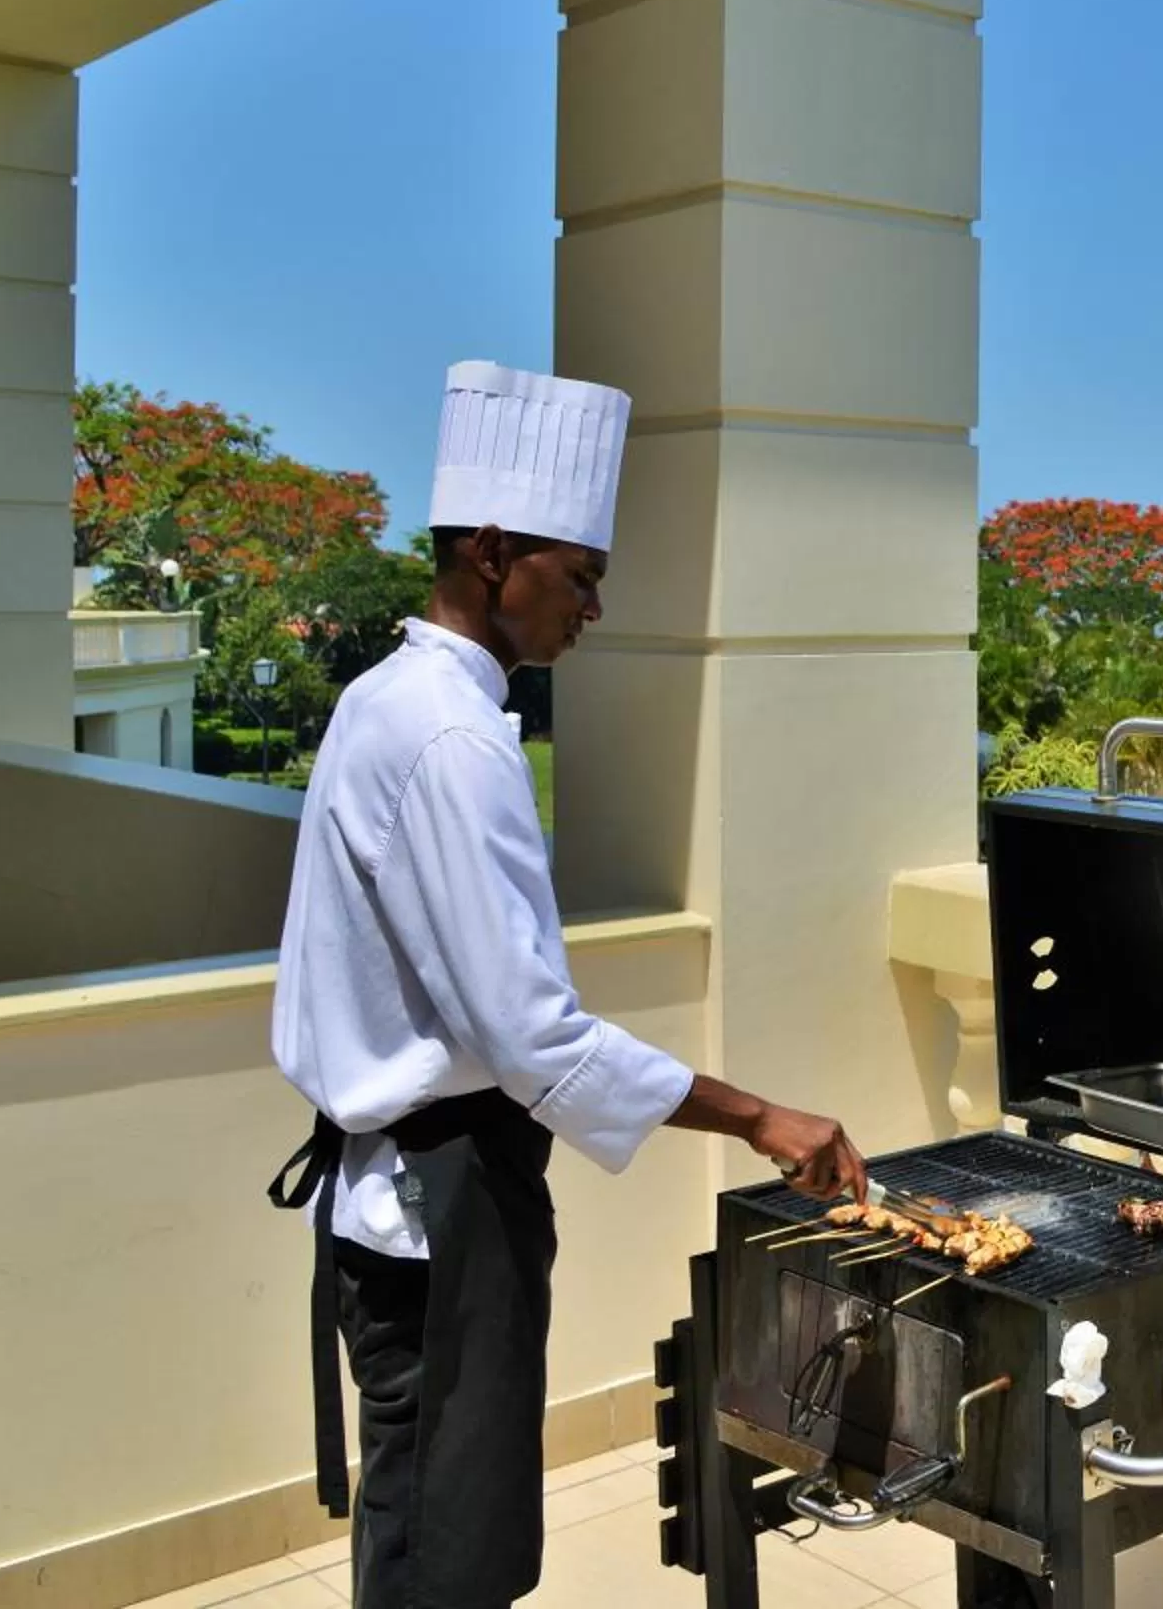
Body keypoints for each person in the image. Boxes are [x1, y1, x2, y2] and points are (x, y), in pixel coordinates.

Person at [268, 363, 866, 1609]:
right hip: (436, 1209)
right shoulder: (451, 738)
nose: (593, 605)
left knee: (434, 1523)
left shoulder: (387, 698)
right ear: (494, 554)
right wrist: (760, 1116)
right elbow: (532, 1037)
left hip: (414, 1195)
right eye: (579, 575)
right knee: (444, 1551)